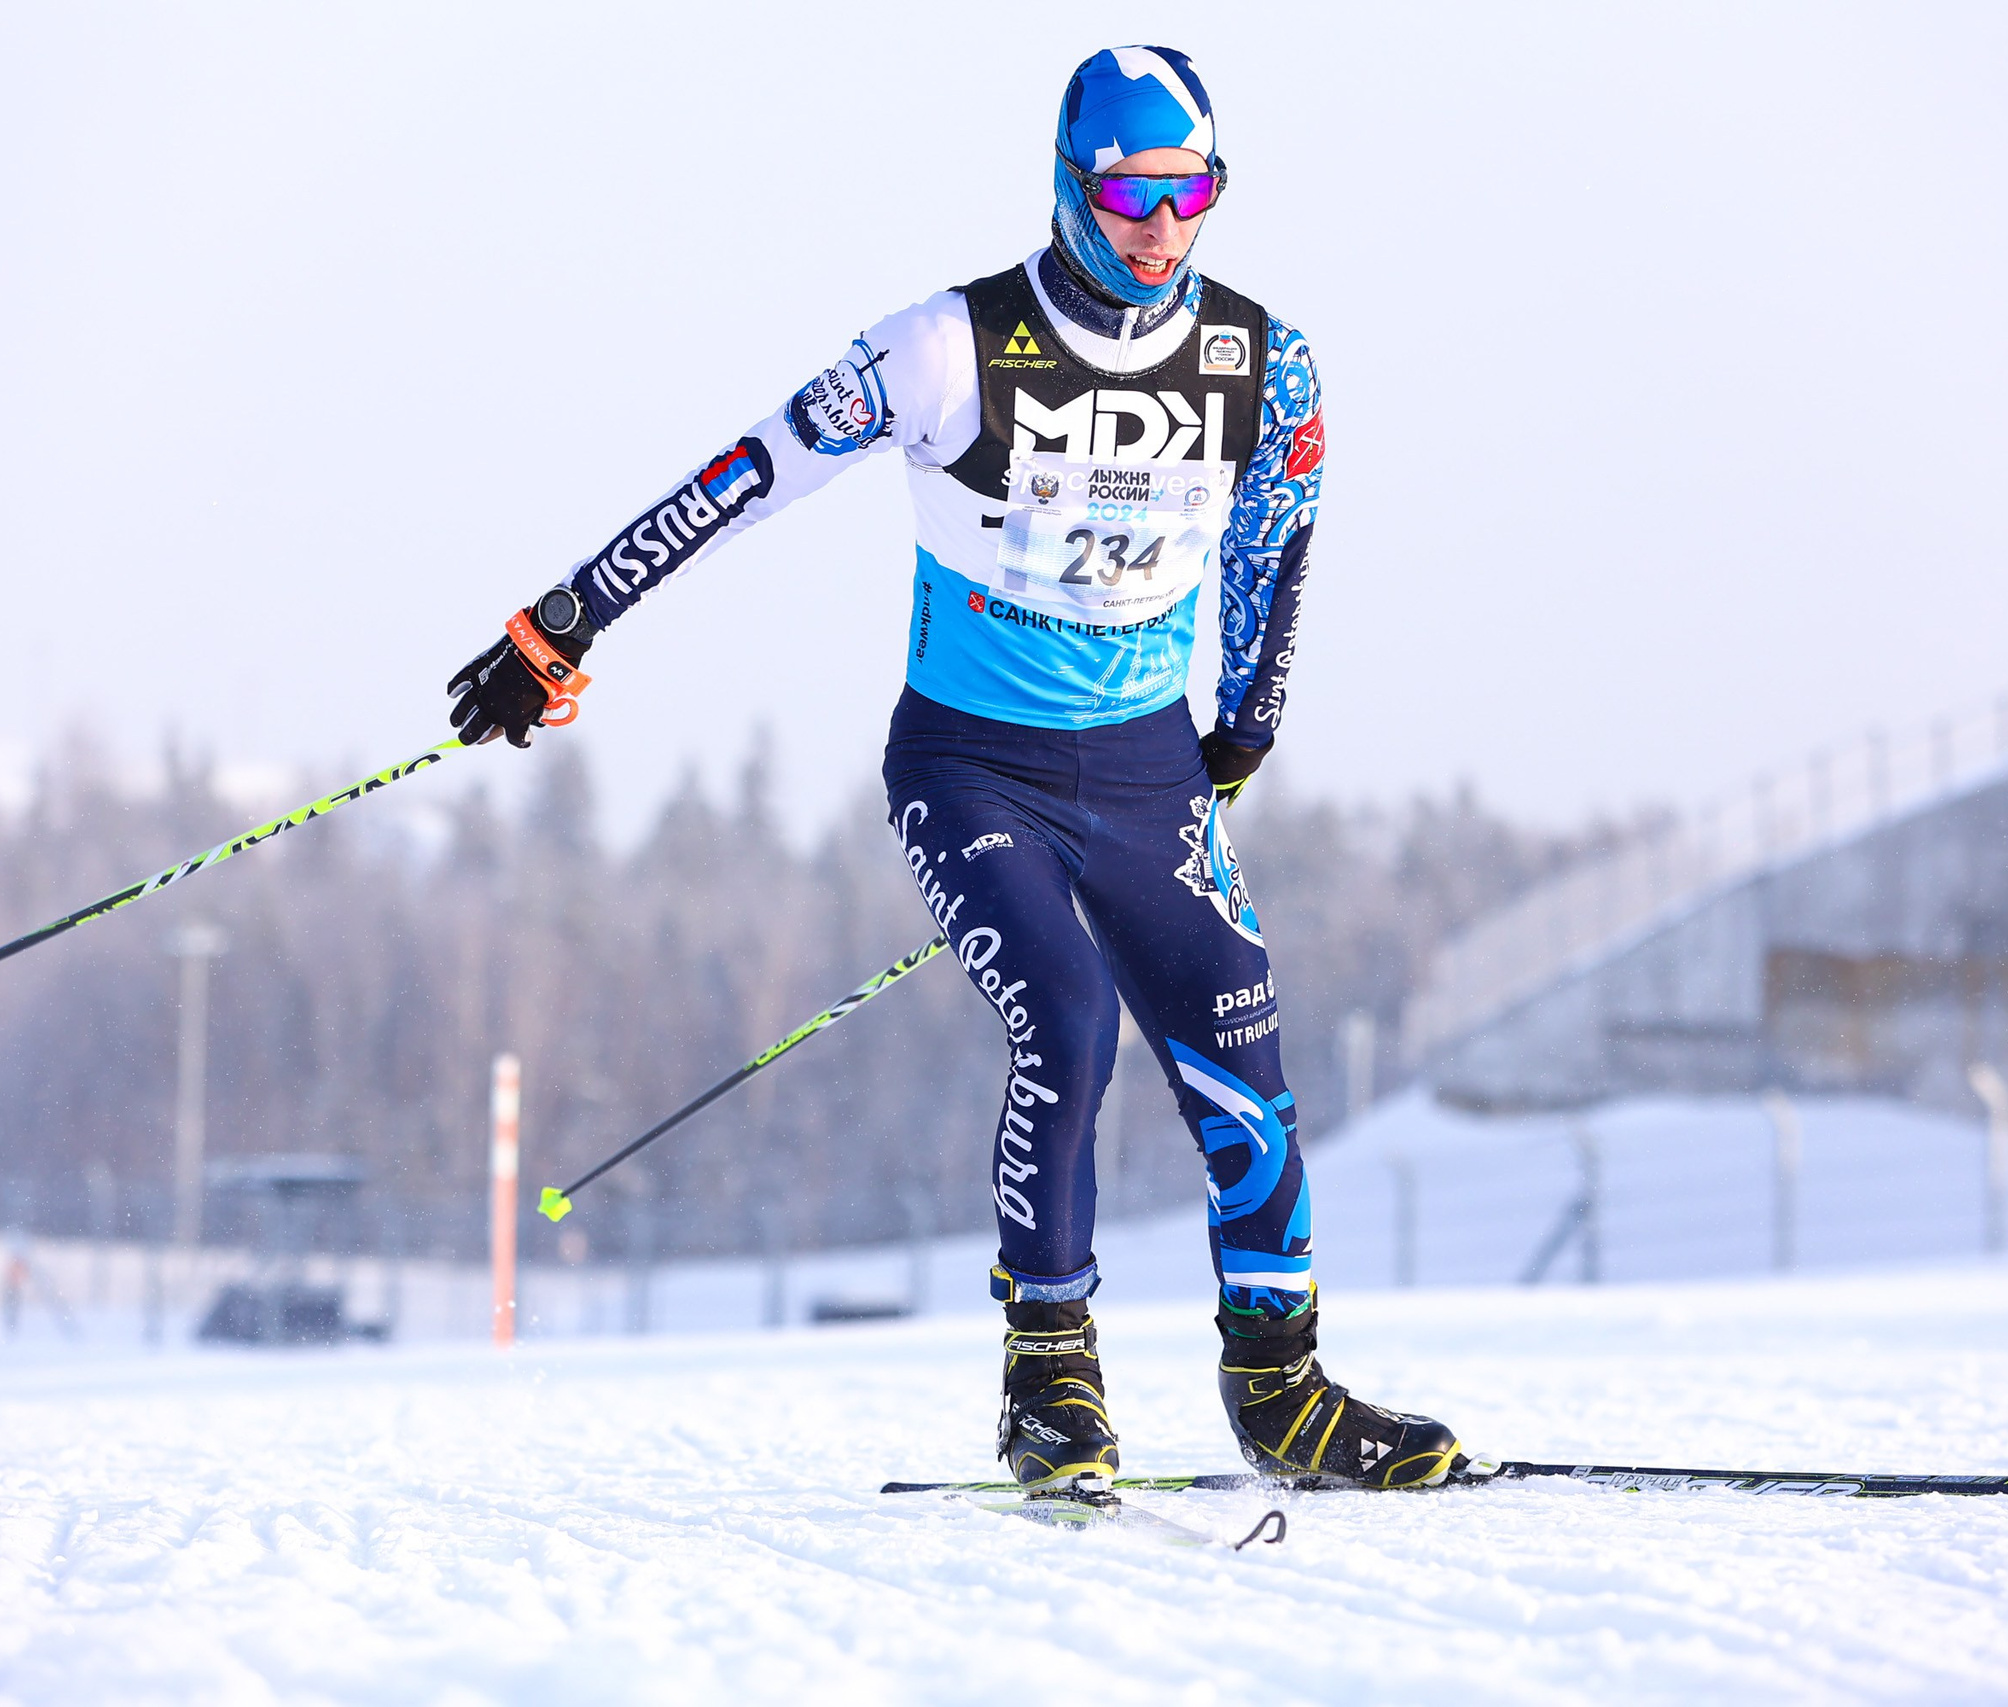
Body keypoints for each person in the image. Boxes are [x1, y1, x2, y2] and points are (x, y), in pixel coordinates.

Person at [446, 46, 1459, 1496]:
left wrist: (1244, 730)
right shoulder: (948, 348)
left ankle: (1280, 1392)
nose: (1162, 227)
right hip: (971, 768)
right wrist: (564, 621)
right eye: (1130, 194)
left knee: (1240, 1037)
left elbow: (1274, 545)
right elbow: (742, 480)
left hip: (1146, 773)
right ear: (1069, 184)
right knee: (1069, 1019)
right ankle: (1049, 1382)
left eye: (1192, 194)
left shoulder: (1263, 360)